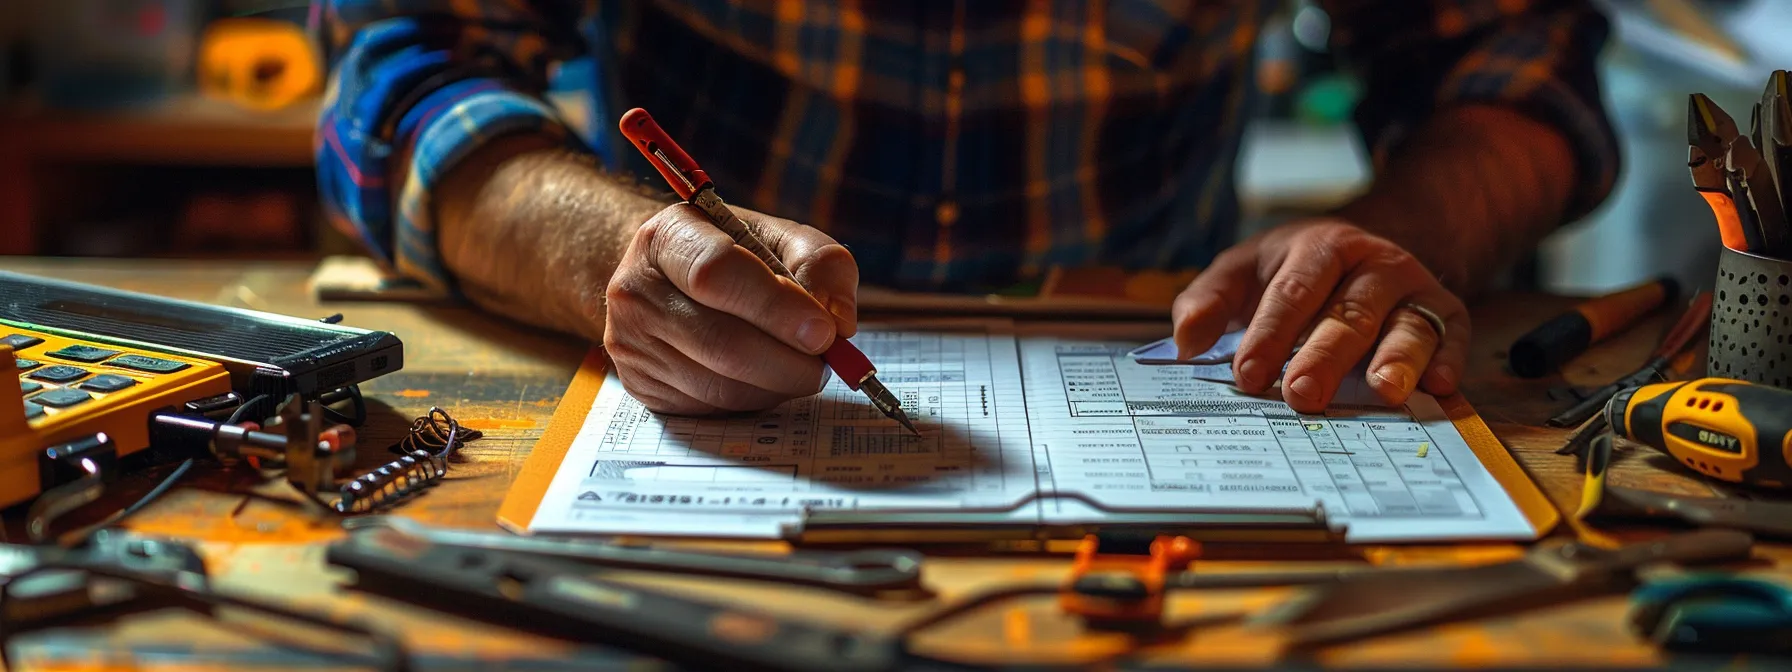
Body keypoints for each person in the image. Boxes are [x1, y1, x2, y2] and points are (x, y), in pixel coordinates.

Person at [313, 1, 1618, 416]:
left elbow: (1514, 61)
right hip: (690, 388)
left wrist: (1408, 235)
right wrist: (608, 247)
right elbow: (404, 70)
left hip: (1193, 375)